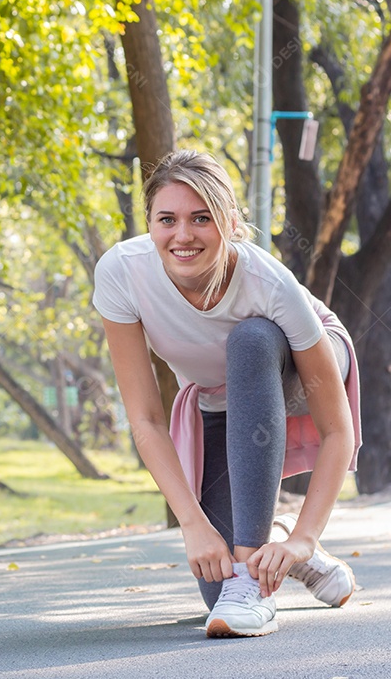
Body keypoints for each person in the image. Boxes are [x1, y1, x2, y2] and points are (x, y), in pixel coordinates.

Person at [93, 150, 362, 638]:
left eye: (202, 218)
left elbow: (337, 428)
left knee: (251, 338)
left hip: (302, 368)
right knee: (217, 593)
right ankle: (271, 550)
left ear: (231, 222)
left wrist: (306, 534)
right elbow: (147, 420)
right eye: (166, 219)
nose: (183, 235)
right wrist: (193, 526)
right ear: (149, 223)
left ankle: (259, 578)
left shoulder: (270, 284)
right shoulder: (121, 273)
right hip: (221, 397)